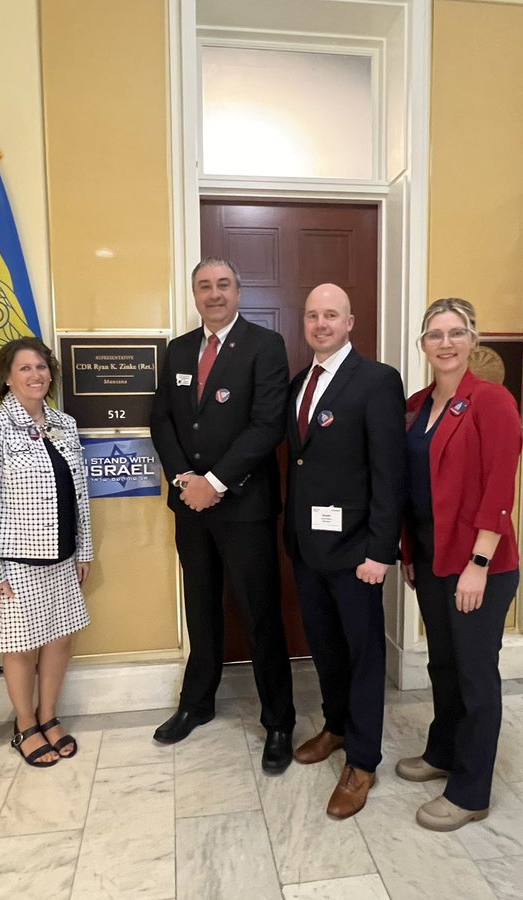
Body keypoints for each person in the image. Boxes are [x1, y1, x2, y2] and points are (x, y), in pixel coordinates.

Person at [149, 256, 295, 773]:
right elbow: (161, 418)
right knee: (201, 607)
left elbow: (266, 424)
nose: (214, 294)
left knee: (259, 615)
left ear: (238, 290)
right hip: (191, 507)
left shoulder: (264, 345)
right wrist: (184, 480)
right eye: (204, 286)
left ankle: (278, 719)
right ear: (194, 296)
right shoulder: (179, 350)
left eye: (223, 285)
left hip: (244, 507)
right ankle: (197, 702)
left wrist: (214, 482)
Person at [398, 298, 523, 832]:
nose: (445, 343)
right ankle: (442, 751)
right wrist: (407, 548)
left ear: (473, 341)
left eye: (456, 333)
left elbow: (499, 488)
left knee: (475, 676)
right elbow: (410, 485)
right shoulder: (415, 404)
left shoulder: (491, 401)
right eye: (434, 334)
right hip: (430, 558)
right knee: (442, 666)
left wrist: (478, 562)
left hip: (479, 565)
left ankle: (470, 790)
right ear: (422, 344)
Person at [284, 284, 406, 818]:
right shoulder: (298, 384)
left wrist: (380, 550)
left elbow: (389, 472)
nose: (320, 323)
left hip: (358, 552)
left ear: (350, 321)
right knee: (325, 648)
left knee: (363, 656)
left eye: (331, 314)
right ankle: (335, 727)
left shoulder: (377, 381)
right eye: (312, 315)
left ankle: (362, 761)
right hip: (309, 550)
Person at [0, 336, 92, 768]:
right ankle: (24, 724)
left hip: (64, 556)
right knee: (21, 645)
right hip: (16, 562)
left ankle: (48, 715)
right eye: (25, 368)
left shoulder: (64, 423)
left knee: (60, 637)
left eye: (41, 367)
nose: (36, 375)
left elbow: (80, 495)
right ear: (7, 377)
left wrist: (85, 551)